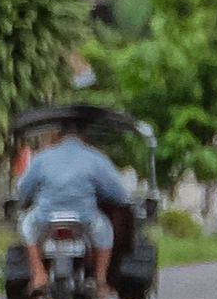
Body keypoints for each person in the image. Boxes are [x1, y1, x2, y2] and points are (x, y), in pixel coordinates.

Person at [11, 120, 138, 285]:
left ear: (58, 136)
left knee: (27, 226)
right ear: (82, 137)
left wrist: (28, 197)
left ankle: (39, 273)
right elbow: (118, 193)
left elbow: (23, 189)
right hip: (84, 216)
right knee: (105, 231)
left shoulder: (41, 158)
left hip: (46, 215)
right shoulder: (95, 157)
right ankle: (100, 280)